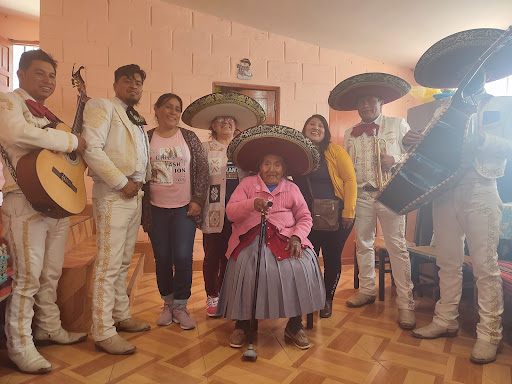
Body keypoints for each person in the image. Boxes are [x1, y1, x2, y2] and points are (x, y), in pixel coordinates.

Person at [410, 28, 512, 364]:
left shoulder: (500, 103)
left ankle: (490, 334)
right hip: (444, 193)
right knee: (447, 262)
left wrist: (483, 140)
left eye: (472, 69)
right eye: (461, 72)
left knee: (485, 266)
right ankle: (445, 320)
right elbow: (426, 150)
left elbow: (508, 146)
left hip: (481, 189)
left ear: (484, 72)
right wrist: (412, 145)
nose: (466, 76)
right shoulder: (442, 111)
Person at [0, 49, 87, 374]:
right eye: (40, 73)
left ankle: (49, 328)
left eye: (51, 75)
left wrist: (70, 141)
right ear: (21, 73)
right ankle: (20, 346)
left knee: (50, 273)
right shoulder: (8, 102)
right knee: (27, 278)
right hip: (23, 200)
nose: (48, 80)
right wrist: (69, 141)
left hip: (56, 202)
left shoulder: (48, 114)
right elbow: (16, 133)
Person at [216, 125, 325, 350]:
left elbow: (305, 217)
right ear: (259, 167)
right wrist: (251, 204)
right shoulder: (247, 185)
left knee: (300, 264)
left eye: (277, 164)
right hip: (251, 236)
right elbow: (230, 212)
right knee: (246, 265)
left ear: (284, 168)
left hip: (286, 237)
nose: (272, 169)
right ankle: (243, 323)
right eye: (267, 163)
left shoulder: (292, 188)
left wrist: (297, 236)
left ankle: (295, 325)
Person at [329, 72, 417, 329]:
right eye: (361, 102)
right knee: (363, 244)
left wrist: (396, 160)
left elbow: (416, 156)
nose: (366, 106)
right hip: (362, 195)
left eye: (371, 101)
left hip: (391, 194)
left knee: (397, 247)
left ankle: (405, 303)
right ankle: (367, 290)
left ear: (380, 103)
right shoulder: (349, 133)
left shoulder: (398, 124)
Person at [81, 64, 151, 355]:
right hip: (113, 194)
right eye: (128, 81)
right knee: (108, 264)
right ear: (115, 84)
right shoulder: (102, 106)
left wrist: (146, 177)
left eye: (138, 82)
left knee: (123, 261)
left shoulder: (134, 116)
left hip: (134, 195)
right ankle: (102, 330)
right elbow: (91, 149)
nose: (134, 86)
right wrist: (122, 182)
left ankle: (120, 315)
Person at [181, 92, 266, 317]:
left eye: (230, 119)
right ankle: (213, 295)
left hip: (240, 213)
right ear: (212, 125)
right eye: (220, 119)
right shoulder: (203, 148)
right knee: (212, 256)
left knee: (233, 255)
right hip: (213, 212)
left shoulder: (243, 150)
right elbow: (195, 177)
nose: (226, 122)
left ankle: (229, 293)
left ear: (236, 124)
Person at [141, 93, 208, 330]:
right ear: (156, 109)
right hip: (155, 209)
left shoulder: (188, 137)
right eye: (168, 107)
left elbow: (202, 170)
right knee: (162, 258)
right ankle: (167, 303)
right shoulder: (145, 138)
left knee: (182, 258)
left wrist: (198, 200)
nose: (173, 112)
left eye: (177, 109)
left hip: (184, 209)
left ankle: (181, 305)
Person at [294, 114, 357, 318]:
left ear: (326, 131)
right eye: (311, 123)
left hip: (337, 215)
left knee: (331, 258)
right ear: (304, 129)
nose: (316, 127)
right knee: (308, 259)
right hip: (306, 217)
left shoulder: (336, 152)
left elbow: (350, 181)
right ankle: (311, 297)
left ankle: (327, 300)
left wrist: (348, 211)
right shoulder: (297, 153)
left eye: (320, 125)